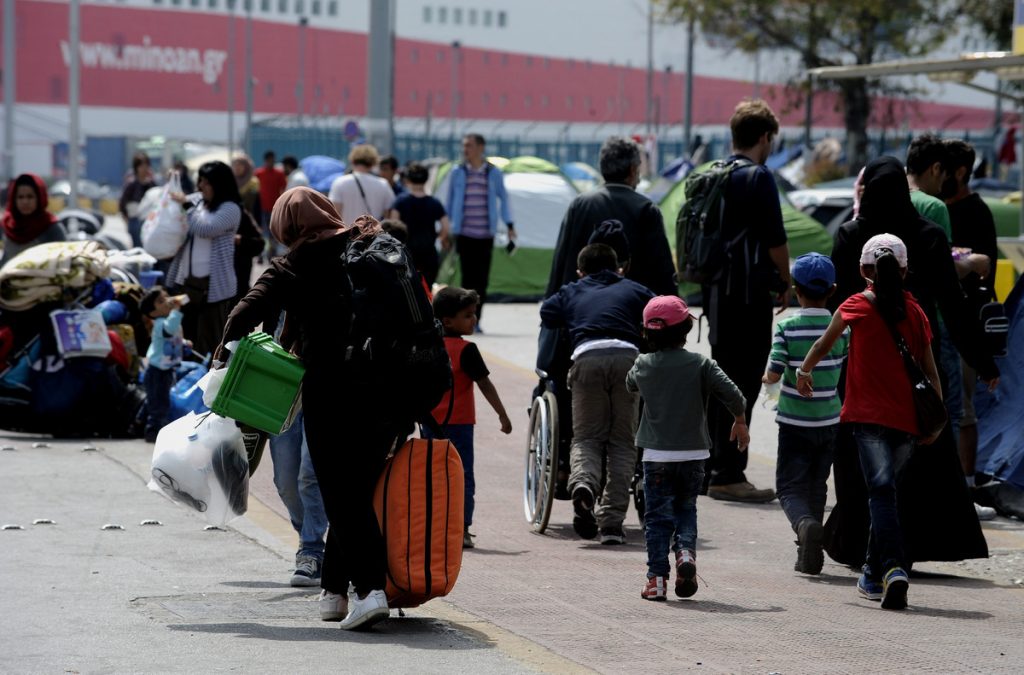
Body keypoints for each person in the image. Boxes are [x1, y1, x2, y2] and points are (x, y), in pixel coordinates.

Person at [219, 187, 396, 630]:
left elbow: (242, 314)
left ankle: (371, 590)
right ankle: (334, 591)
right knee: (352, 488)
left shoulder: (292, 265)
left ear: (287, 227)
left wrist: (220, 358)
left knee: (343, 492)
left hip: (331, 388)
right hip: (388, 384)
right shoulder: (368, 241)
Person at [827, 155, 997, 570]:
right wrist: (984, 361)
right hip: (918, 368)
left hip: (865, 367)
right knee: (921, 459)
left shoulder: (851, 236)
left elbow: (837, 307)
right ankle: (911, 545)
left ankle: (860, 548)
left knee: (861, 462)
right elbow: (953, 307)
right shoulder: (930, 236)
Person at [799, 234, 941, 610]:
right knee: (887, 494)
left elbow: (823, 344)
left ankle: (892, 568)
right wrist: (937, 419)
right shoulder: (916, 311)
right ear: (905, 270)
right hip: (908, 421)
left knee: (880, 494)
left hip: (867, 418)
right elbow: (931, 371)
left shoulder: (856, 305)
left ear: (864, 271)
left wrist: (804, 371)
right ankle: (871, 574)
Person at [627, 295, 748, 601]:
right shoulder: (700, 365)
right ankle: (685, 554)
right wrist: (740, 420)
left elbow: (630, 384)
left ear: (647, 333)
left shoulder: (643, 365)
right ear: (684, 331)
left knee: (656, 519)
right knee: (685, 508)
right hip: (694, 454)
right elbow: (735, 395)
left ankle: (656, 580)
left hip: (656, 456)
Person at [702, 99, 791, 504]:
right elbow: (775, 240)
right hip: (749, 296)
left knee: (719, 378)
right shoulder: (758, 178)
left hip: (716, 297)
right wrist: (787, 281)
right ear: (765, 137)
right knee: (746, 380)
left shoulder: (712, 174)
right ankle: (729, 473)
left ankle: (708, 466)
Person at [540, 244, 654, 544]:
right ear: (619, 268)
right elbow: (659, 310)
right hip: (629, 361)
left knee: (587, 438)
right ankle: (612, 524)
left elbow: (547, 313)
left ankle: (584, 486)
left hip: (587, 360)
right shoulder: (634, 288)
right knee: (622, 442)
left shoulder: (572, 290)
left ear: (580, 271)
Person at [763, 253, 848, 575]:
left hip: (794, 422)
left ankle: (805, 525)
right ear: (833, 289)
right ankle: (807, 550)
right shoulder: (843, 329)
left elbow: (773, 374)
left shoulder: (787, 327)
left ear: (796, 289)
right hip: (829, 420)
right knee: (817, 484)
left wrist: (767, 380)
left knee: (788, 486)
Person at [422, 286, 512, 549]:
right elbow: (485, 385)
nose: (474, 320)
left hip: (430, 423)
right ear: (448, 320)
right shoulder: (466, 349)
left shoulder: (428, 346)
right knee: (462, 476)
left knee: (432, 475)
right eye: (468, 315)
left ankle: (433, 527)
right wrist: (502, 414)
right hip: (460, 424)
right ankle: (461, 528)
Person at [943, 139, 1000, 519]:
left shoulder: (975, 211)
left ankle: (964, 490)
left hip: (964, 322)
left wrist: (955, 256)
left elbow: (986, 267)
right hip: (939, 320)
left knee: (963, 410)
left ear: (960, 172)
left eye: (943, 169)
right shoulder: (934, 208)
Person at [547, 135, 676, 298]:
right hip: (631, 310)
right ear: (632, 170)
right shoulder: (646, 209)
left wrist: (552, 302)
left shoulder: (579, 205)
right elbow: (662, 269)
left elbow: (560, 261)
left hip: (579, 308)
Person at [167, 161, 240, 356]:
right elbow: (175, 201)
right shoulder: (198, 202)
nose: (200, 186)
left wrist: (186, 206)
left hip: (213, 290)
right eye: (199, 181)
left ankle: (207, 383)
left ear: (219, 184)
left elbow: (206, 229)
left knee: (209, 343)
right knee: (184, 338)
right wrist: (173, 184)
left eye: (205, 182)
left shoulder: (230, 209)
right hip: (188, 285)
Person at [446, 133, 515, 326]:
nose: (465, 150)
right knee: (467, 277)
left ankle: (477, 318)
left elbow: (504, 199)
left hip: (486, 234)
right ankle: (465, 319)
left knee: (482, 280)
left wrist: (509, 224)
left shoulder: (493, 173)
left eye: (469, 145)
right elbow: (450, 202)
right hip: (464, 233)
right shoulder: (458, 171)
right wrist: (447, 227)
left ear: (481, 148)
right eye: (464, 146)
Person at [388, 162, 450, 286]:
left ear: (407, 179)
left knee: (409, 289)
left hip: (406, 253)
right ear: (426, 179)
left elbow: (393, 225)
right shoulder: (434, 202)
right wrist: (440, 237)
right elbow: (446, 226)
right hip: (429, 252)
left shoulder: (400, 201)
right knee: (427, 287)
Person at [139, 287, 186, 442]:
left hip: (165, 369)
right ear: (153, 313)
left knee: (156, 399)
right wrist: (177, 310)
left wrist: (185, 344)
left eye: (167, 297)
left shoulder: (168, 322)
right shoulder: (161, 324)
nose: (167, 301)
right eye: (161, 301)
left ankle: (140, 421)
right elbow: (169, 330)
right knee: (158, 403)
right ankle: (153, 430)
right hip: (156, 371)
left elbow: (173, 338)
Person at [1, 173, 66, 267]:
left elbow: (64, 261)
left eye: (30, 197)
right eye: (20, 197)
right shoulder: (6, 225)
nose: (25, 202)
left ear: (40, 198)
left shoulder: (51, 227)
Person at [905, 134, 952, 242]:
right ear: (936, 168)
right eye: (945, 173)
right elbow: (942, 256)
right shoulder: (934, 207)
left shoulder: (885, 198)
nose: (944, 179)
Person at [329, 144, 393, 221]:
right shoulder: (383, 184)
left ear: (352, 160)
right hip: (374, 232)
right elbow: (388, 213)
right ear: (373, 162)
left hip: (347, 231)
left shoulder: (340, 182)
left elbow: (334, 214)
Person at [119, 153, 157, 248]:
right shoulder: (131, 184)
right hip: (135, 220)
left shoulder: (151, 184)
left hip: (150, 220)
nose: (144, 169)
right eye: (141, 166)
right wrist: (126, 218)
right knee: (138, 248)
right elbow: (122, 203)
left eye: (146, 166)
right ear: (136, 167)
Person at [255, 151, 287, 229]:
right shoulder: (259, 173)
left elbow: (284, 188)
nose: (270, 162)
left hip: (275, 205)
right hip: (262, 206)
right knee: (263, 227)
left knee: (274, 227)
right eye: (268, 160)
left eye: (272, 160)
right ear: (265, 161)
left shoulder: (279, 174)